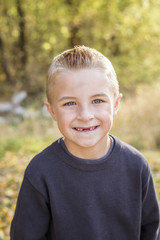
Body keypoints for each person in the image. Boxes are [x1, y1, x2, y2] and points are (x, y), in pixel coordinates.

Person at [10, 46, 160, 240]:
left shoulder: (136, 166)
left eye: (97, 101)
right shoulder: (40, 172)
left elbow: (151, 231)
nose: (85, 115)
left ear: (115, 105)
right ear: (52, 110)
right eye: (70, 103)